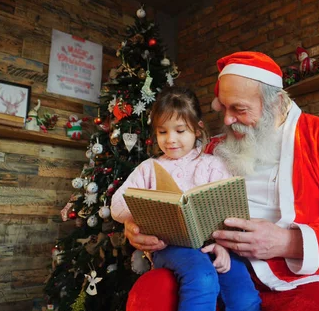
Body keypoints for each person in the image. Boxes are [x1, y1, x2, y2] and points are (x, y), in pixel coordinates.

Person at [122, 52, 319, 311]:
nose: (227, 120)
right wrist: (136, 229)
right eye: (222, 108)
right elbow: (174, 202)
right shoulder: (210, 151)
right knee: (150, 294)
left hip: (307, 276)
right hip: (221, 265)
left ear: (276, 103)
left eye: (239, 109)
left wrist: (288, 242)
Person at [111, 86, 262, 311]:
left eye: (180, 131)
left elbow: (231, 210)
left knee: (244, 295)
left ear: (197, 130)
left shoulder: (213, 164)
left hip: (216, 244)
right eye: (163, 132)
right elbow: (117, 205)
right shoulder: (149, 168)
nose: (171, 140)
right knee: (202, 278)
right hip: (169, 247)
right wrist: (139, 214)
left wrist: (223, 247)